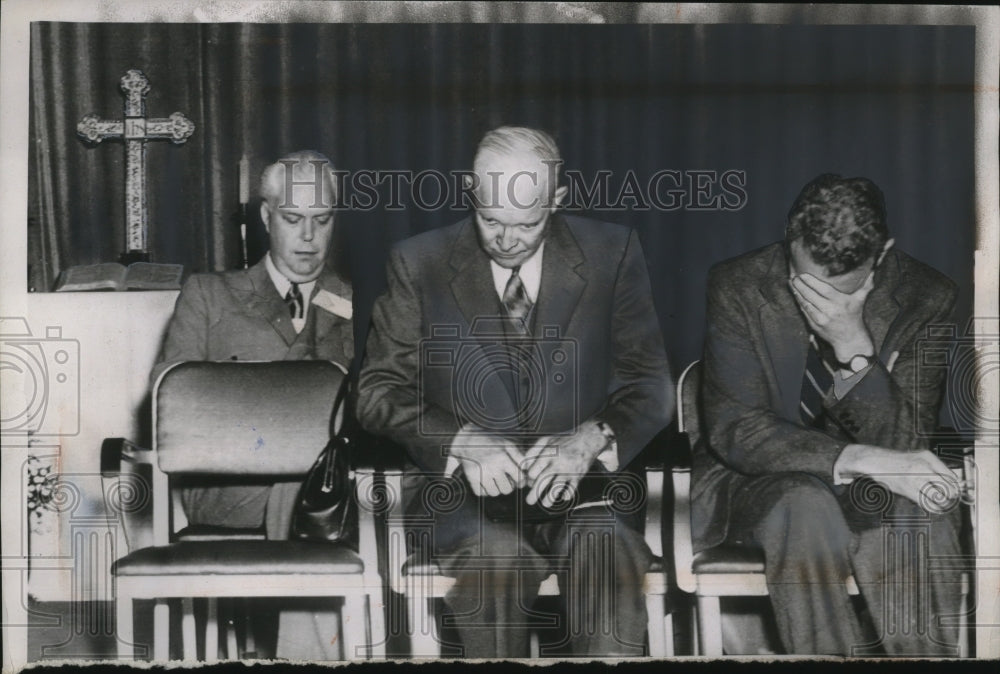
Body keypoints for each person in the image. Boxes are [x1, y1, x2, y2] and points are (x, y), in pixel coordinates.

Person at [356, 126, 673, 657]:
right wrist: (462, 440)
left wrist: (590, 438)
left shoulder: (611, 254)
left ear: (558, 200)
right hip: (460, 500)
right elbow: (376, 391)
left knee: (607, 547)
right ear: (470, 194)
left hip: (581, 489)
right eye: (489, 220)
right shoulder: (419, 262)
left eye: (526, 224)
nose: (505, 240)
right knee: (496, 559)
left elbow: (653, 387)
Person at [694, 173, 965, 656]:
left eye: (840, 290)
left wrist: (856, 351)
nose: (817, 303)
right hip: (755, 484)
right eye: (804, 282)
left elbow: (907, 446)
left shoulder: (929, 297)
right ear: (788, 235)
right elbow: (737, 429)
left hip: (869, 488)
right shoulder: (736, 284)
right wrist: (860, 458)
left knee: (919, 502)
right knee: (805, 504)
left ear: (881, 255)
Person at [151, 150, 353, 659]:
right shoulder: (210, 294)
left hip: (340, 487)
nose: (308, 237)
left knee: (316, 473)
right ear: (266, 217)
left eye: (321, 220)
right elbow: (168, 397)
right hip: (226, 485)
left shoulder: (360, 297)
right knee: (299, 469)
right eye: (292, 219)